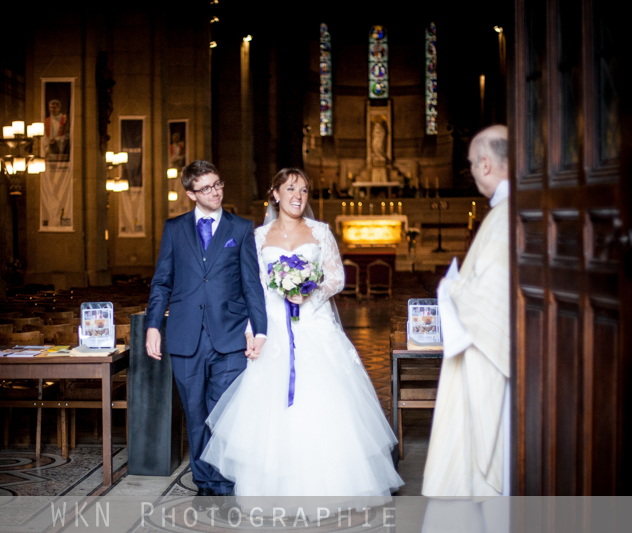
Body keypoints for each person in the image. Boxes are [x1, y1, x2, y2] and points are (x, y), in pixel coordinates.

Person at [201, 167, 403, 502]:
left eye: (305, 190)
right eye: (291, 189)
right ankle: (273, 490)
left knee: (323, 401)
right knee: (271, 410)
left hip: (314, 325)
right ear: (275, 194)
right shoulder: (258, 237)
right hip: (274, 329)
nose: (298, 196)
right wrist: (253, 331)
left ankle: (331, 487)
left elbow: (336, 278)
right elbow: (255, 289)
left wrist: (308, 290)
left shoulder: (321, 232)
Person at [145, 160, 267, 515]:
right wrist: (154, 324)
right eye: (206, 188)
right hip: (184, 337)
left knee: (225, 413)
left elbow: (251, 284)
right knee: (196, 414)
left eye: (218, 184)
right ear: (190, 194)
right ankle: (205, 482)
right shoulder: (174, 229)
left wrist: (260, 330)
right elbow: (162, 281)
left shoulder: (241, 228)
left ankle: (225, 483)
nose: (215, 192)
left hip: (229, 337)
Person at [422, 124, 511, 497]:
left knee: (494, 454)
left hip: (493, 361)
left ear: (487, 165)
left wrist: (450, 288)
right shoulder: (508, 211)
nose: (472, 171)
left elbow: (491, 293)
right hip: (499, 356)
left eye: (473, 163)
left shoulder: (506, 216)